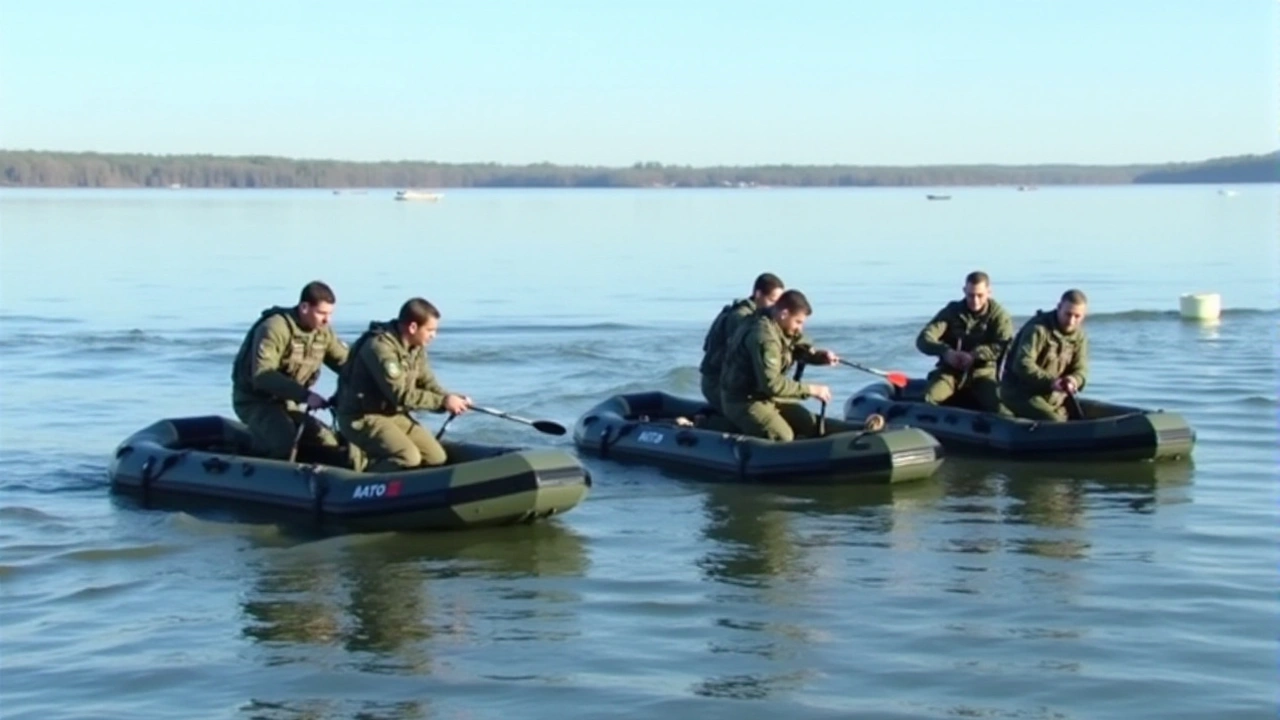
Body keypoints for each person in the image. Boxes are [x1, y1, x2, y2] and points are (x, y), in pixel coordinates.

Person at [332, 297, 473, 471]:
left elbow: (428, 383)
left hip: (393, 414)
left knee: (436, 457)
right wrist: (442, 402)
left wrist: (450, 398)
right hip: (361, 416)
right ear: (413, 327)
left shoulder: (415, 348)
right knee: (407, 456)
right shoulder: (380, 348)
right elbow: (401, 395)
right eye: (430, 330)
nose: (433, 335)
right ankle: (366, 479)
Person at [230, 280, 350, 463]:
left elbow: (345, 362)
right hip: (254, 401)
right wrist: (306, 396)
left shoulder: (323, 333)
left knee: (327, 440)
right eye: (321, 313)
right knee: (283, 441)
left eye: (330, 314)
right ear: (304, 307)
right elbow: (263, 376)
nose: (327, 320)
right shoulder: (275, 328)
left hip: (287, 403)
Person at [718, 289, 840, 441]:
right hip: (743, 399)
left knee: (808, 423)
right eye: (798, 322)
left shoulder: (777, 323)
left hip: (766, 396)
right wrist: (812, 390)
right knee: (783, 437)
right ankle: (709, 425)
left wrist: (820, 357)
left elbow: (797, 345)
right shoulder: (764, 337)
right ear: (784, 314)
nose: (799, 328)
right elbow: (772, 384)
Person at [914, 270, 1014, 413]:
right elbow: (924, 339)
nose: (975, 301)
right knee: (927, 400)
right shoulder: (952, 311)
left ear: (989, 292)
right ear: (964, 291)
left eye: (980, 295)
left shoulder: (999, 316)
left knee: (1001, 409)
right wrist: (946, 352)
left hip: (983, 373)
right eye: (970, 295)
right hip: (951, 371)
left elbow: (1004, 345)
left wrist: (975, 355)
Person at [696, 272, 785, 427]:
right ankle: (704, 423)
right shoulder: (741, 319)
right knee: (749, 422)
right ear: (758, 294)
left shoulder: (761, 318)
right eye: (772, 301)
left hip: (732, 383)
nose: (775, 307)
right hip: (718, 383)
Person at [1000, 289, 1090, 422]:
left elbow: (1081, 368)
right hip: (1021, 392)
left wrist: (1074, 380)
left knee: (1074, 419)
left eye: (1077, 316)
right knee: (1056, 422)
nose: (1071, 321)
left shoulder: (1079, 337)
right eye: (1068, 314)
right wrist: (1051, 382)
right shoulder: (1037, 329)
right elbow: (1022, 364)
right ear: (1059, 307)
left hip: (1054, 396)